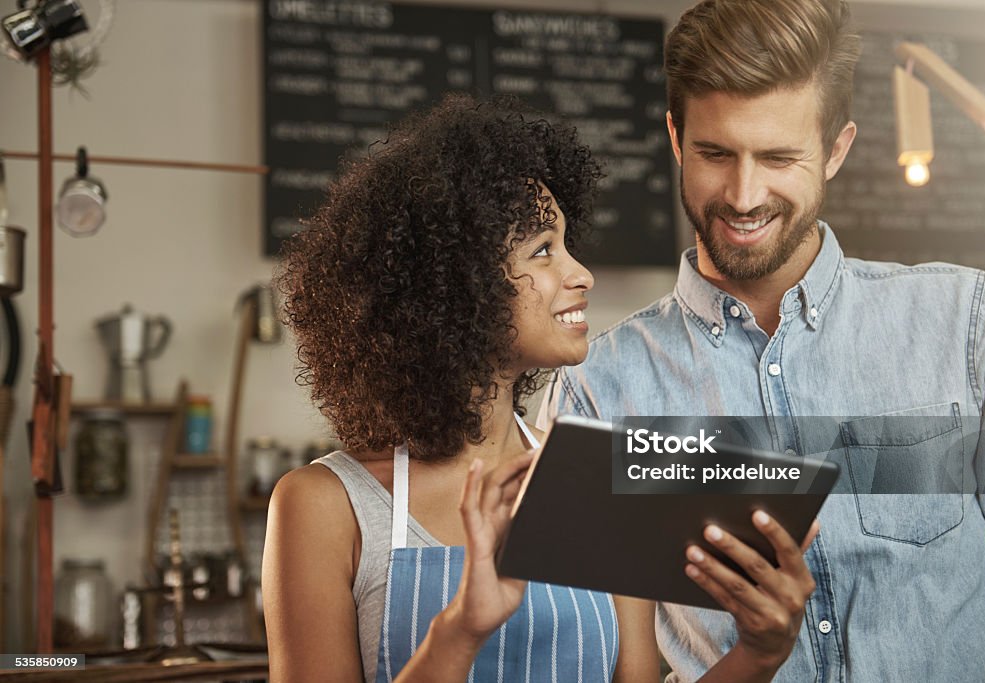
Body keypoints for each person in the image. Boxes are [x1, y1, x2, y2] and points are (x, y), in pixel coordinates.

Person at [263, 94, 821, 682]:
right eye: (543, 251)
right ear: (457, 285)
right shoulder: (325, 506)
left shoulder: (596, 482)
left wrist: (759, 651)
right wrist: (462, 630)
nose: (581, 274)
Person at [541, 0, 985, 680]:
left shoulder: (967, 323)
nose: (743, 195)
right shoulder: (597, 387)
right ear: (676, 140)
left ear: (835, 149)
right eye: (715, 153)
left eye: (777, 156)